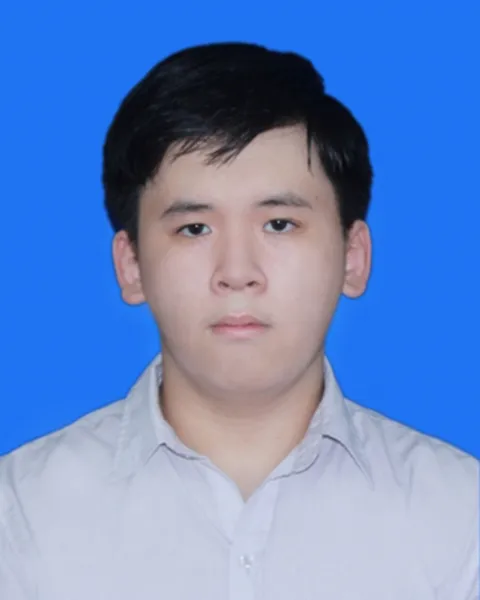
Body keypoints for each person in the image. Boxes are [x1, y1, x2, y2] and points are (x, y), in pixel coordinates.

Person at [0, 41, 478, 600]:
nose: (236, 272)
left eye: (279, 224)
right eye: (194, 229)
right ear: (131, 266)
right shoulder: (21, 517)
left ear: (353, 257)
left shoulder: (460, 519)